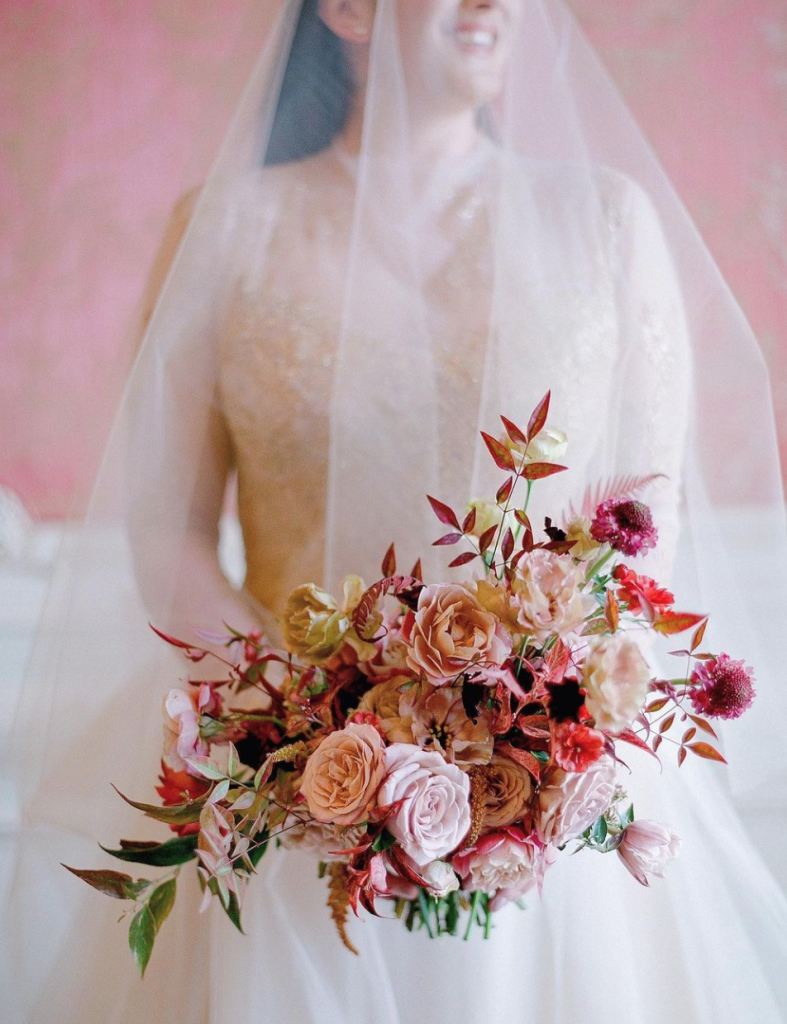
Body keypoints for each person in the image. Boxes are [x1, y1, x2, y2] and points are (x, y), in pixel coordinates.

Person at [3, 1, 787, 1021]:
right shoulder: (227, 228)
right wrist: (304, 728)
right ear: (348, 7)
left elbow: (645, 523)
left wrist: (530, 730)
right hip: (292, 781)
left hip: (549, 793)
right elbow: (170, 535)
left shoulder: (603, 219)